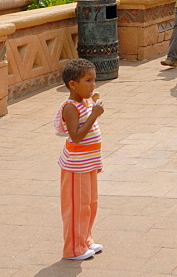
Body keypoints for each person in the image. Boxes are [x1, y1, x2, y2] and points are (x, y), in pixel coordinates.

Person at [54, 59, 105, 261]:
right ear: (73, 85)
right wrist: (94, 115)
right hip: (76, 168)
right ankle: (73, 249)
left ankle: (85, 239)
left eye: (94, 80)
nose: (93, 85)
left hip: (89, 164)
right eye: (88, 81)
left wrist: (93, 109)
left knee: (90, 204)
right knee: (76, 208)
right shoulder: (70, 107)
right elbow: (76, 136)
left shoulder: (85, 102)